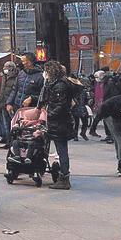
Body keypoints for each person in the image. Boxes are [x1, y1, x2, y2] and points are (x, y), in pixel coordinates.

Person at [27, 60, 82, 191]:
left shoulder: (60, 86)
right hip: (57, 122)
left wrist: (48, 115)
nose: (44, 74)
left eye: (46, 71)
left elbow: (61, 105)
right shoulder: (55, 84)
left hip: (59, 123)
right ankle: (60, 175)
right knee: (55, 148)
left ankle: (64, 178)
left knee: (62, 150)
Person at [0, 61, 19, 148]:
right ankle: (8, 141)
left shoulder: (16, 77)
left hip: (11, 104)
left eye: (6, 67)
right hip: (3, 102)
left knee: (12, 123)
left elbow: (14, 90)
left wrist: (10, 102)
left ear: (11, 67)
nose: (4, 68)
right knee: (6, 123)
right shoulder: (4, 76)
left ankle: (13, 142)